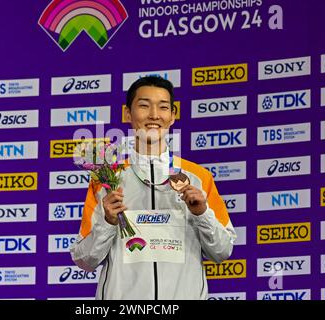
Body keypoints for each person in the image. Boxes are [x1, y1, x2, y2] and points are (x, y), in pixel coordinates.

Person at [70, 76, 236, 300]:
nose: (154, 115)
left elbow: (222, 252)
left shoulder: (199, 178)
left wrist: (202, 214)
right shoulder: (107, 181)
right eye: (144, 105)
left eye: (163, 107)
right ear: (128, 114)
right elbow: (84, 260)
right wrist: (108, 223)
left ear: (173, 116)